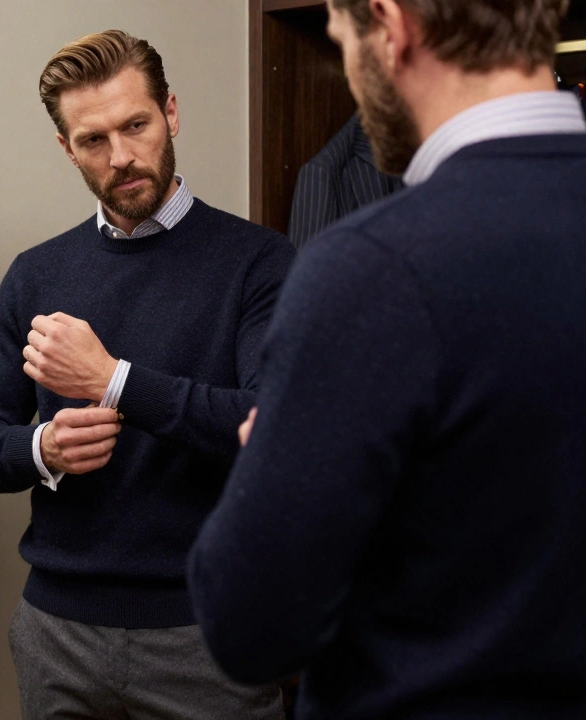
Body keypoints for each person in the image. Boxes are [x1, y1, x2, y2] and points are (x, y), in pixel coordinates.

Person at [188, 1, 586, 717]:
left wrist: (272, 458)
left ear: (390, 25)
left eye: (342, 42)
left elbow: (251, 630)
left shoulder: (373, 269)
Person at [0, 30, 294, 719]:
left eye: (135, 125)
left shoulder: (259, 263)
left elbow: (272, 429)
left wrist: (114, 381)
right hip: (57, 634)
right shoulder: (36, 274)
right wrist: (39, 449)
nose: (122, 157)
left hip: (207, 635)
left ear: (171, 111)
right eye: (92, 140)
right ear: (65, 148)